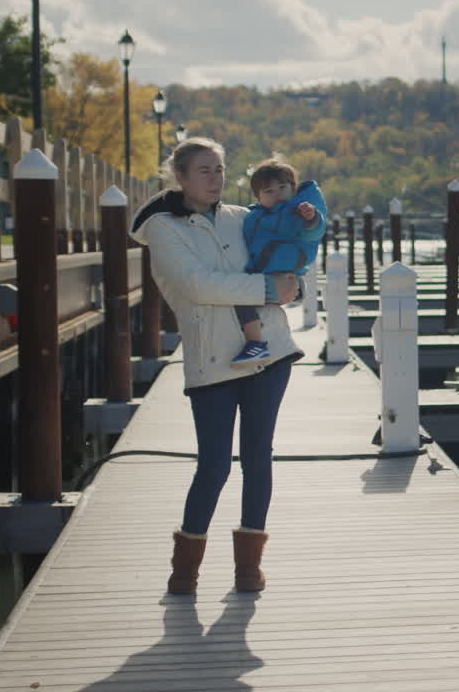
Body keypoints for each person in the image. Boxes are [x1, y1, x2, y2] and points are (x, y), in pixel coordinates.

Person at [129, 137, 303, 595]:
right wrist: (268, 288)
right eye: (204, 170)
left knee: (259, 458)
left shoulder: (243, 218)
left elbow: (284, 254)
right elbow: (196, 285)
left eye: (220, 170)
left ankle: (248, 569)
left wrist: (294, 285)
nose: (215, 179)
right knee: (213, 466)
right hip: (213, 363)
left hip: (271, 353)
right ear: (180, 177)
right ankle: (185, 571)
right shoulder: (164, 229)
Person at [230, 157, 327, 368]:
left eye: (282, 188)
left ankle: (255, 344)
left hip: (282, 268)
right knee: (244, 295)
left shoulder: (297, 210)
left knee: (241, 298)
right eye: (269, 192)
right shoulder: (257, 215)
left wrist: (310, 218)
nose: (277, 195)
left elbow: (314, 232)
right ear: (258, 196)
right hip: (270, 272)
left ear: (293, 188)